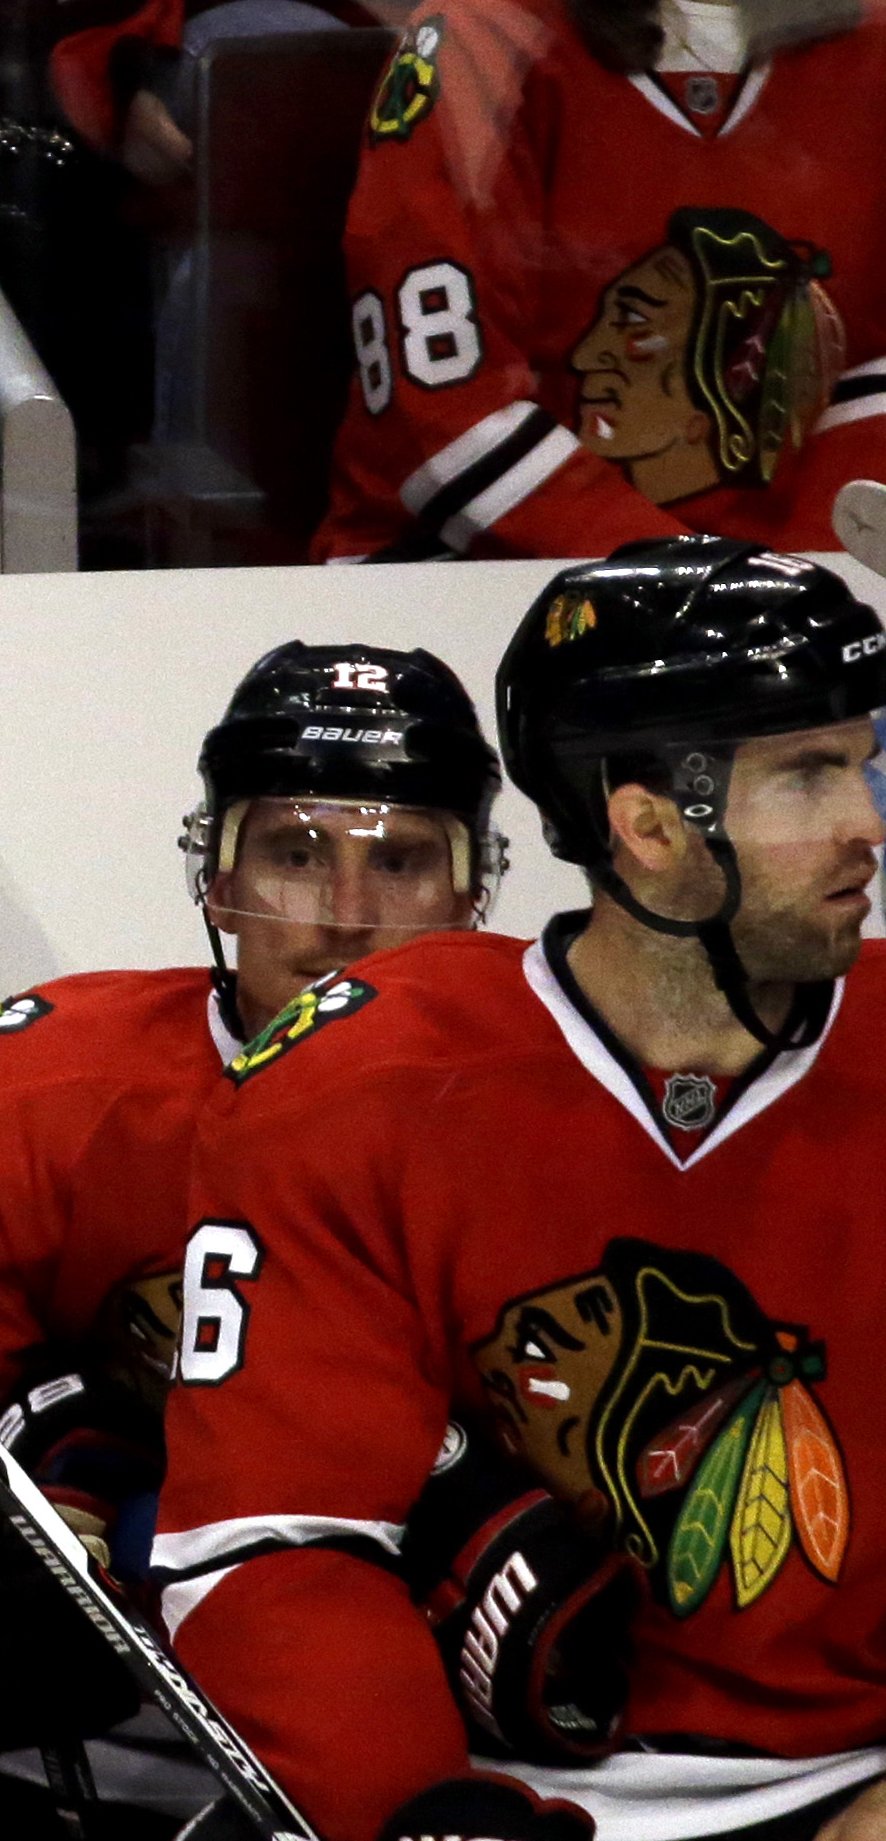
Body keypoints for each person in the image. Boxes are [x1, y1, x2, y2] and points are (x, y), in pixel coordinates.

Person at [156, 536, 886, 1839]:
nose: (862, 822)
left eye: (858, 759)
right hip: (489, 1790)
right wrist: (412, 1810)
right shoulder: (349, 1080)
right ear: (645, 822)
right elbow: (272, 1543)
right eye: (804, 775)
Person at [0, 641, 505, 1837]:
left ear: (476, 891)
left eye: (401, 859)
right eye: (294, 853)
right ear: (212, 878)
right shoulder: (0, 1106)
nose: (347, 917)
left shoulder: (574, 1103)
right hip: (80, 1780)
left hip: (476, 1779)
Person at [315, 0, 886, 559]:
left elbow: (872, 358)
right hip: (475, 582)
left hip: (776, 594)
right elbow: (440, 407)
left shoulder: (862, 37)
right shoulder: (484, 38)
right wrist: (686, 588)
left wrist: (813, 574)